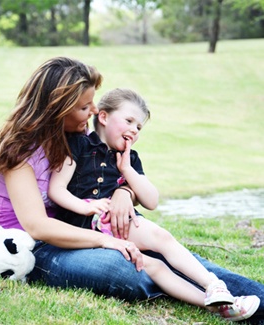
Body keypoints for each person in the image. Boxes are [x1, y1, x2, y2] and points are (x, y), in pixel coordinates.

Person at [0, 57, 264, 324]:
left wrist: (124, 193)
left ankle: (249, 301)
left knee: (163, 249)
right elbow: (38, 227)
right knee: (126, 268)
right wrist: (105, 241)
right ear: (57, 107)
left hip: (80, 228)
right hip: (38, 247)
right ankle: (204, 297)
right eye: (85, 106)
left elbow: (110, 174)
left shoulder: (77, 138)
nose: (95, 111)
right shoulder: (19, 153)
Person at [48, 87, 259, 318]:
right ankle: (210, 302)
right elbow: (56, 189)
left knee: (162, 238)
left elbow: (151, 200)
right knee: (155, 268)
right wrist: (85, 206)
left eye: (138, 127)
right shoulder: (78, 145)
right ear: (104, 116)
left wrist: (127, 170)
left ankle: (214, 289)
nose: (133, 130)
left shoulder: (130, 158)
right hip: (84, 225)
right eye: (128, 120)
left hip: (119, 224)